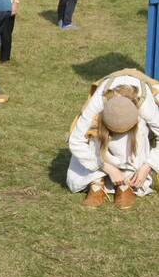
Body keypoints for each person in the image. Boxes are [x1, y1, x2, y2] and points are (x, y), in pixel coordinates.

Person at [67, 70, 159, 210]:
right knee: (93, 131)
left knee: (140, 131)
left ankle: (126, 183)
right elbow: (76, 140)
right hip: (102, 135)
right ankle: (96, 182)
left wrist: (147, 166)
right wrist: (107, 167)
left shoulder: (145, 103)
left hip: (135, 134)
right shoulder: (98, 101)